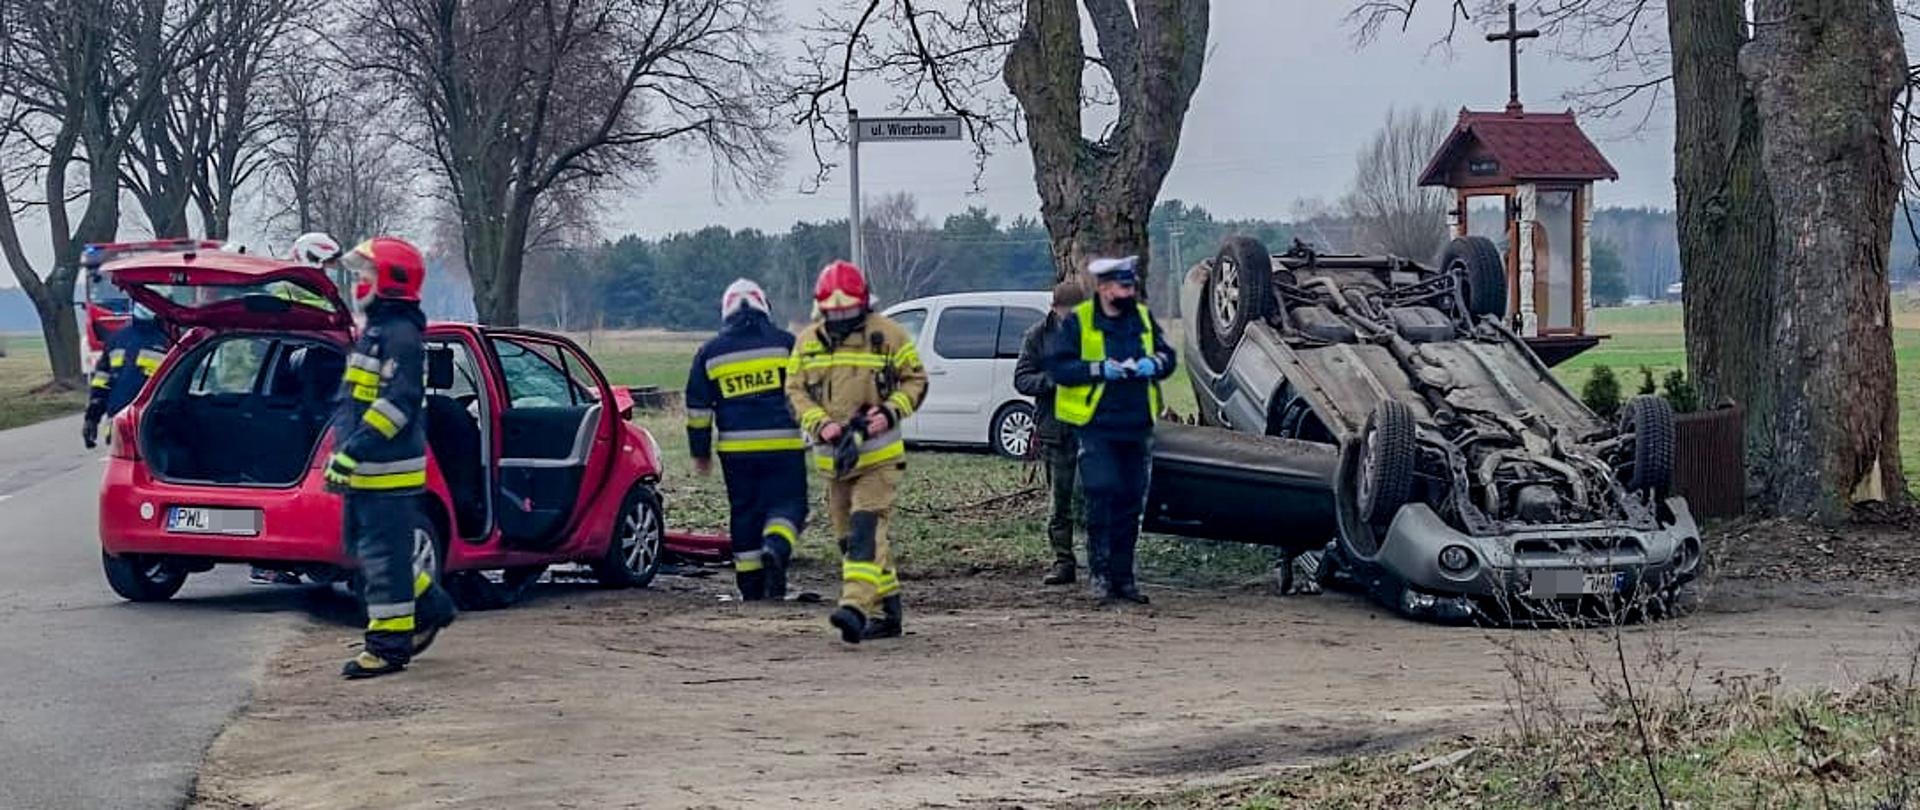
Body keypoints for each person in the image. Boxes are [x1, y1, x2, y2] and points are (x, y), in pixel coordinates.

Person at [325, 236, 457, 680]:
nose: (358, 282)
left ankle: (387, 648)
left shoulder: (400, 337)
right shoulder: (377, 333)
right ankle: (431, 604)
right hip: (368, 470)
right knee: (373, 553)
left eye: (366, 273)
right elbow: (355, 403)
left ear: (391, 281)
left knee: (383, 561)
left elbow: (397, 406)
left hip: (387, 473)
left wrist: (353, 450)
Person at [785, 260, 929, 644]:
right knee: (849, 540)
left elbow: (915, 382)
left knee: (866, 530)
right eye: (834, 314)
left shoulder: (889, 335)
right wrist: (821, 424)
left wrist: (889, 413)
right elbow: (795, 392)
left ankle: (854, 608)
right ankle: (888, 610)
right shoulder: (808, 342)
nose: (841, 320)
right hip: (835, 460)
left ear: (864, 304)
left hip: (879, 458)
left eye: (847, 313)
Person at [1046, 256, 1176, 604]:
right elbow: (1058, 368)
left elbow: (1168, 357)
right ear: (1104, 288)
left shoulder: (1142, 318)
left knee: (1130, 503)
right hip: (1097, 426)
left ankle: (1124, 578)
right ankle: (1100, 576)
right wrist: (1099, 369)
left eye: (1131, 286)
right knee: (1102, 496)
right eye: (1123, 286)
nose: (1129, 292)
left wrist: (1153, 364)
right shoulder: (1080, 321)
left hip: (1136, 424)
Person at [684, 279, 809, 601]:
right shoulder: (786, 344)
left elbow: (698, 409)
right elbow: (808, 390)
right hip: (783, 446)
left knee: (744, 513)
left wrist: (700, 452)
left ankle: (751, 587)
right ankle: (776, 546)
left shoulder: (710, 353)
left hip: (736, 451)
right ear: (764, 306)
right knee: (790, 504)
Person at [1014, 281, 1089, 586]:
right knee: (1060, 503)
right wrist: (1053, 381)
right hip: (1055, 430)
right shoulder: (1037, 337)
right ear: (1055, 309)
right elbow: (1022, 379)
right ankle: (1063, 561)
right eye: (1068, 312)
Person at [83, 302, 171, 449]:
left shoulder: (170, 341)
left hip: (155, 431)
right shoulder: (116, 340)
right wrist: (92, 418)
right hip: (120, 429)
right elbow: (101, 383)